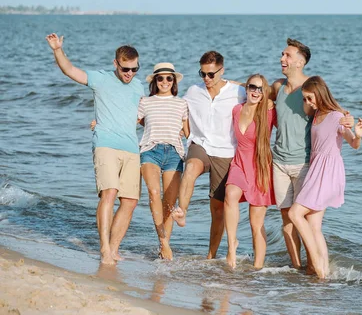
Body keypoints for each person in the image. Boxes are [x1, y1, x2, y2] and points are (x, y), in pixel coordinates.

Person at [45, 33, 144, 265]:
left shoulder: (139, 86)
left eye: (134, 69)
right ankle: (104, 249)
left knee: (130, 201)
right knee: (109, 192)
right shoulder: (100, 79)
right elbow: (70, 70)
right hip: (106, 144)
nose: (130, 74)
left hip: (131, 148)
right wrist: (57, 50)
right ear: (115, 64)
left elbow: (141, 116)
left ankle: (115, 247)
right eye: (125, 69)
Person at [269, 38, 353, 270]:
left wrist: (348, 121)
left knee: (306, 220)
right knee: (287, 221)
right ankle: (298, 269)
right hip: (279, 163)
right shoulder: (277, 87)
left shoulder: (310, 89)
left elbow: (330, 109)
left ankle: (314, 268)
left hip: (307, 164)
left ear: (300, 61)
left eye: (287, 55)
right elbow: (253, 89)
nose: (281, 59)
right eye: (282, 54)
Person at [288, 76, 362, 279]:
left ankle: (317, 266)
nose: (307, 103)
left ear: (320, 95)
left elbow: (354, 144)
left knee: (295, 214)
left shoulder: (335, 116)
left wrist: (357, 133)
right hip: (316, 170)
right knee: (314, 226)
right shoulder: (317, 115)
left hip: (327, 172)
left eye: (310, 98)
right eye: (305, 99)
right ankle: (324, 273)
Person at [171, 51, 246, 259]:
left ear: (222, 71)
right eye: (202, 73)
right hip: (201, 144)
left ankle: (211, 256)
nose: (206, 79)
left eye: (211, 74)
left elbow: (261, 94)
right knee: (191, 167)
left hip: (226, 151)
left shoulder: (238, 92)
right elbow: (178, 109)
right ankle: (182, 211)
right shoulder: (194, 91)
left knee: (218, 209)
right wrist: (184, 133)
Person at [224, 74, 276, 269]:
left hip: (261, 166)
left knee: (256, 223)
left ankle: (257, 268)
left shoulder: (269, 112)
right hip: (239, 163)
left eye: (260, 89)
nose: (256, 91)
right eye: (252, 87)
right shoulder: (237, 109)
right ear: (246, 88)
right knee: (230, 195)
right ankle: (231, 247)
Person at [138, 63, 189, 260]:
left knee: (169, 203)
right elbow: (127, 121)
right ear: (155, 81)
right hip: (150, 150)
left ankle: (164, 245)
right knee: (153, 192)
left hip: (174, 153)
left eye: (169, 78)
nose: (165, 82)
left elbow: (189, 133)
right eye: (161, 78)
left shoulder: (181, 103)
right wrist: (100, 123)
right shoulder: (145, 102)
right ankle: (164, 243)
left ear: (174, 81)